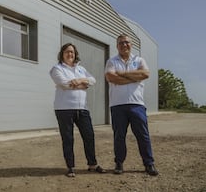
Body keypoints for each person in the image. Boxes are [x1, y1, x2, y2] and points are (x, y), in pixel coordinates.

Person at [105, 34, 159, 176]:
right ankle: (119, 163)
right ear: (117, 46)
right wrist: (134, 77)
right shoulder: (111, 61)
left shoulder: (139, 60)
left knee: (143, 135)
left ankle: (149, 164)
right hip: (118, 105)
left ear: (131, 45)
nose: (124, 45)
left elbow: (146, 74)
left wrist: (122, 74)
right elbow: (110, 77)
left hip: (137, 105)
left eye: (127, 42)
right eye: (121, 43)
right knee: (119, 136)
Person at [50, 43, 106, 177]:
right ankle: (70, 167)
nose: (70, 54)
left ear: (75, 54)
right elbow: (63, 83)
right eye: (67, 52)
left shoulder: (81, 69)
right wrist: (83, 84)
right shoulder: (56, 68)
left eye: (72, 52)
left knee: (89, 136)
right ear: (62, 54)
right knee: (68, 138)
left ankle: (92, 164)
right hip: (64, 109)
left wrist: (79, 80)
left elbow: (93, 80)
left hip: (82, 109)